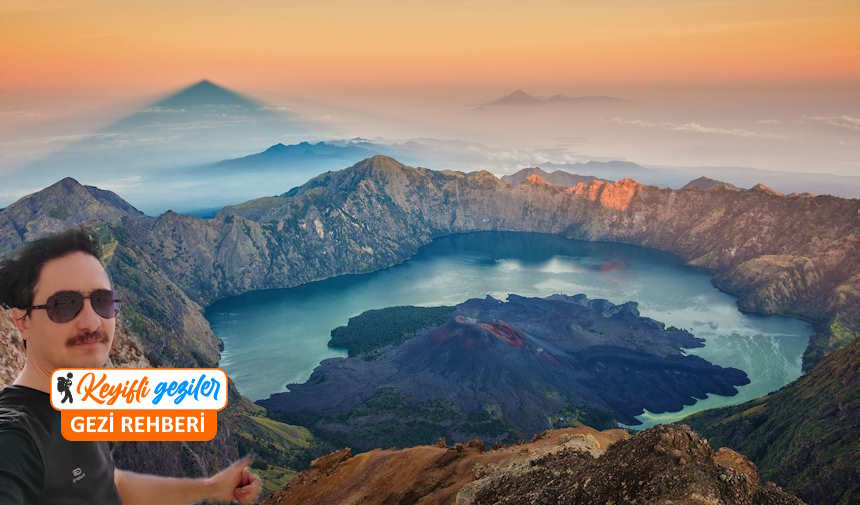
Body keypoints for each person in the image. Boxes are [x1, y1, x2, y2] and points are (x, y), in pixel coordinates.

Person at [0, 227, 262, 505]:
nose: (92, 322)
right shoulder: (15, 437)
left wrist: (210, 487)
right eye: (63, 304)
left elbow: (109, 484)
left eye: (102, 301)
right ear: (22, 320)